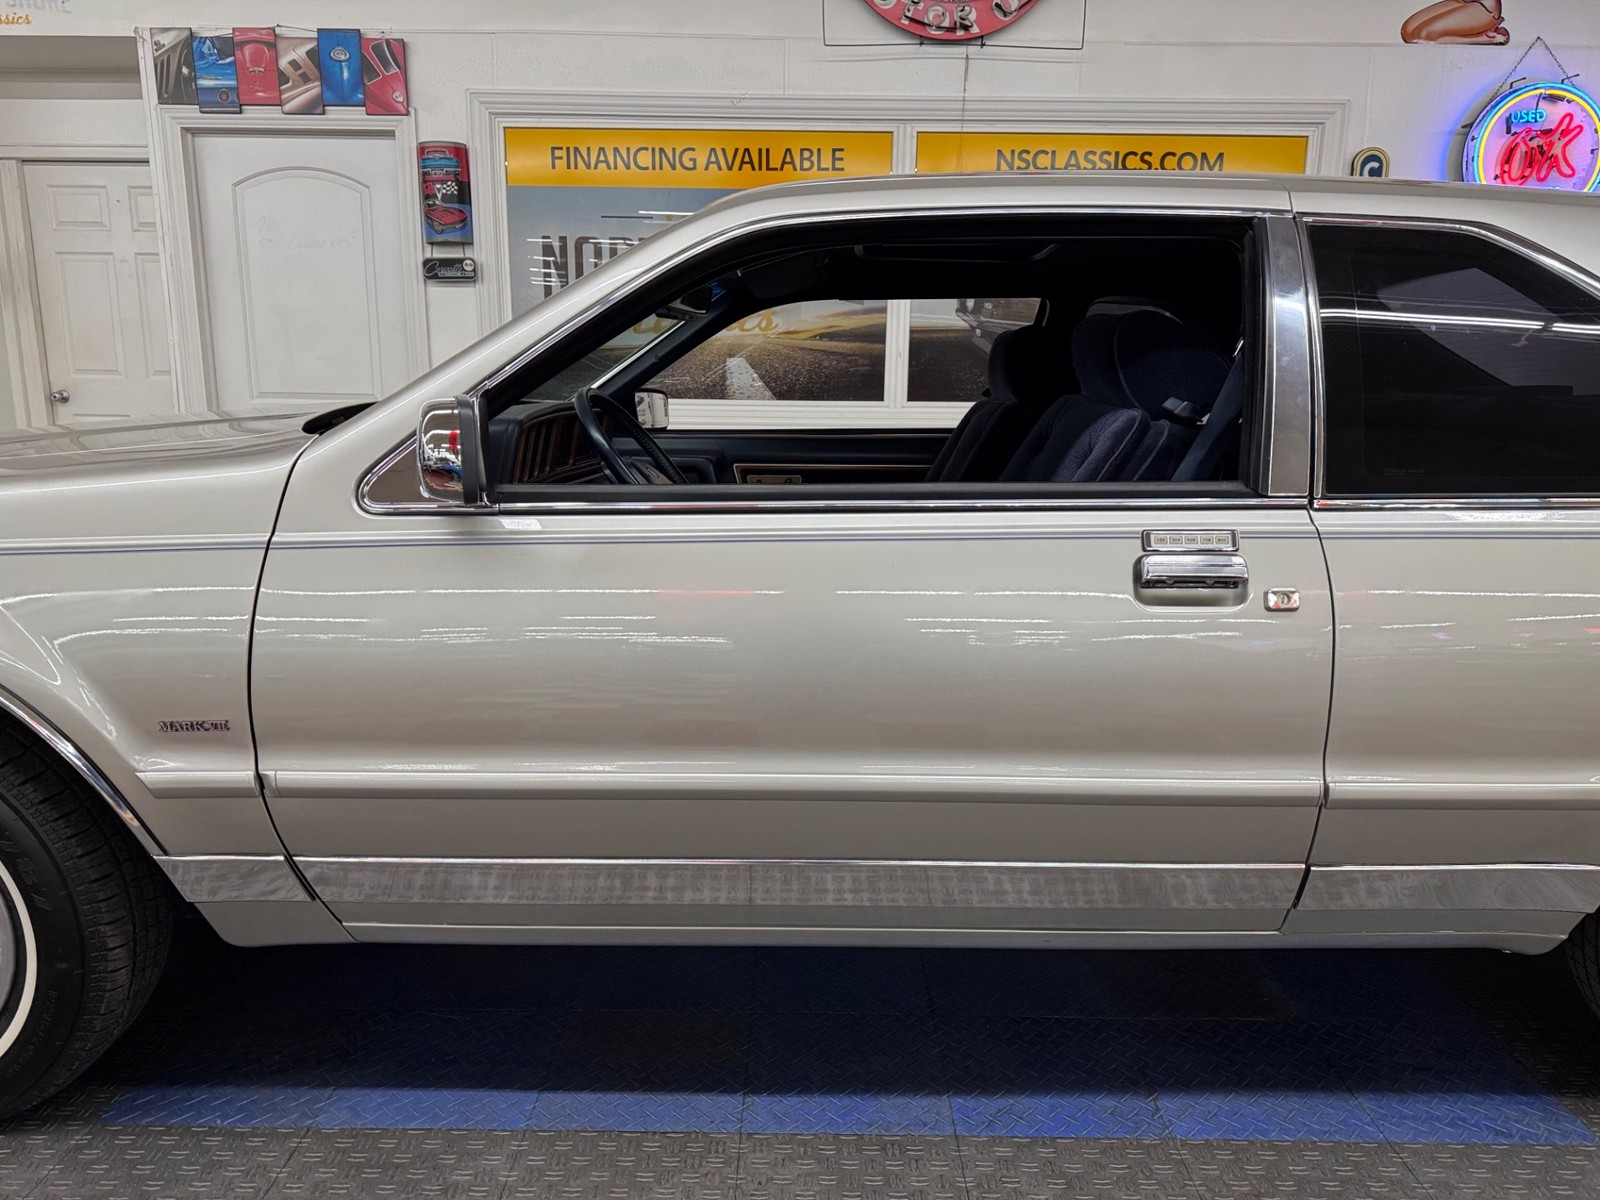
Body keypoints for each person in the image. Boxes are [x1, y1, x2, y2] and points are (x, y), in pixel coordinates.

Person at [1402, 0, 1509, 44]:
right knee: (1409, 32)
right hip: (1463, 2)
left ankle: (1487, 38)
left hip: (1484, 7)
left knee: (1424, 35)